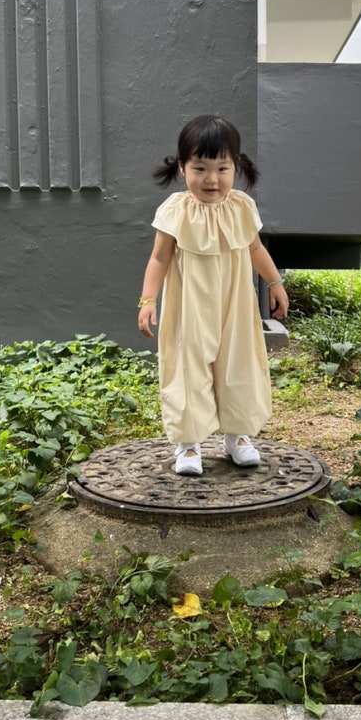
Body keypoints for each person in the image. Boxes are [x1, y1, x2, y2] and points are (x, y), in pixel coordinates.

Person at [138, 114, 288, 476]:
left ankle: (237, 436)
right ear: (182, 167)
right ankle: (188, 443)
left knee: (239, 364)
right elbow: (159, 258)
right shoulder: (176, 210)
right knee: (188, 368)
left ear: (235, 166)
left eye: (222, 168)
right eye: (200, 168)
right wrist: (148, 300)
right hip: (189, 307)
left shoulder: (241, 207)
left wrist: (275, 282)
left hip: (234, 306)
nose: (212, 179)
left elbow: (254, 249)